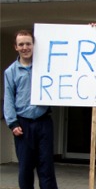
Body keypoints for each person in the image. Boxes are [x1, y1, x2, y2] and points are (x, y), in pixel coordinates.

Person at [3, 30, 58, 188]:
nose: (25, 47)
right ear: (16, 47)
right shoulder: (10, 72)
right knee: (26, 169)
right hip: (23, 125)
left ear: (33, 46)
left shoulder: (45, 67)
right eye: (21, 44)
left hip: (43, 122)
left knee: (46, 168)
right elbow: (9, 99)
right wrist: (13, 124)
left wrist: (92, 30)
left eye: (28, 43)